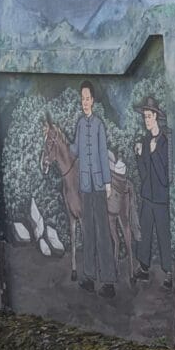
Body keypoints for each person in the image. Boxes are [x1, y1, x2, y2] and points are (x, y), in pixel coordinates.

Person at [70, 80, 116, 298]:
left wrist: (107, 183)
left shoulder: (98, 125)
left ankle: (108, 281)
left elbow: (103, 154)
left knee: (102, 233)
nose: (85, 102)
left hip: (98, 185)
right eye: (82, 99)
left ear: (93, 101)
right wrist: (59, 139)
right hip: (85, 187)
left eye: (87, 98)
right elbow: (75, 150)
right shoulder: (80, 124)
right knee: (87, 231)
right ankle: (89, 277)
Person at [133, 96, 172, 291]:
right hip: (147, 196)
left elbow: (164, 177)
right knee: (145, 233)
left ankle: (169, 273)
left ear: (156, 117)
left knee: (163, 235)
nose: (146, 120)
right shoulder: (146, 140)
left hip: (161, 198)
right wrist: (139, 156)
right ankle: (144, 268)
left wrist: (154, 152)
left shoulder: (164, 142)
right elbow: (143, 175)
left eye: (148, 116)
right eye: (144, 117)